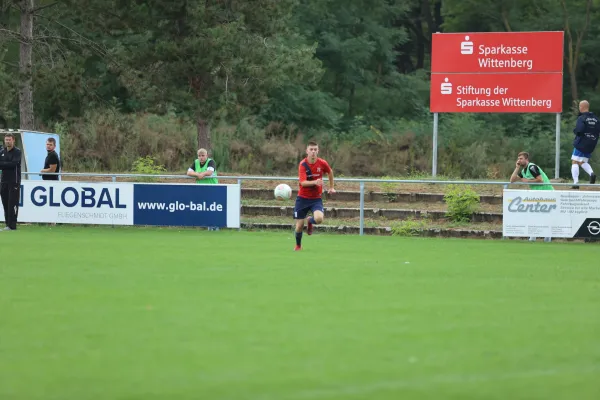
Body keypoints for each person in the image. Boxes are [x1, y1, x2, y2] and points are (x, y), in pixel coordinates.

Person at [293, 140, 336, 251]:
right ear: (307, 151)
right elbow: (302, 183)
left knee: (319, 219)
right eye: (311, 149)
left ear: (318, 151)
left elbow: (330, 172)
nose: (313, 152)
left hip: (316, 199)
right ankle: (298, 246)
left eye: (315, 149)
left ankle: (310, 221)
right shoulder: (303, 164)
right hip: (302, 199)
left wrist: (331, 187)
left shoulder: (322, 163)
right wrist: (315, 182)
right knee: (299, 226)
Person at [510, 151, 553, 242]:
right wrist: (517, 168)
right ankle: (534, 236)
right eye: (518, 159)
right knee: (535, 215)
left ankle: (547, 238)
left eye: (521, 159)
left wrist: (527, 181)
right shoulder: (523, 171)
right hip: (537, 194)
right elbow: (512, 180)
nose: (519, 160)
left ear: (526, 159)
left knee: (544, 216)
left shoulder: (532, 167)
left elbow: (540, 180)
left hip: (546, 193)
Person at [187, 148, 219, 230]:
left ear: (207, 156)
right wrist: (198, 174)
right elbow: (188, 172)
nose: (201, 157)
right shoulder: (196, 162)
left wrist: (203, 174)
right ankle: (207, 225)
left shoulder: (211, 162)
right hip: (200, 189)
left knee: (212, 208)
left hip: (212, 188)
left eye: (203, 155)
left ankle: (215, 226)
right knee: (203, 207)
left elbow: (209, 172)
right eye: (199, 156)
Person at [571, 100, 599, 189]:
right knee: (582, 161)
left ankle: (576, 183)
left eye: (579, 106)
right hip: (591, 143)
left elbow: (579, 130)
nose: (579, 108)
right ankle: (591, 174)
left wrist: (575, 131)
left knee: (574, 161)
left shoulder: (582, 118)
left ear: (582, 107)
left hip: (581, 143)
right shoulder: (596, 119)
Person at [0, 133, 22, 231]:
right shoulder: (2, 152)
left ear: (13, 140)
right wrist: (5, 164)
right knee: (5, 202)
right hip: (4, 180)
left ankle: (12, 225)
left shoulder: (17, 151)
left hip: (14, 181)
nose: (8, 141)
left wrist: (3, 164)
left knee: (12, 203)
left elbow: (13, 164)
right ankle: (7, 224)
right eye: (6, 140)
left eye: (9, 140)